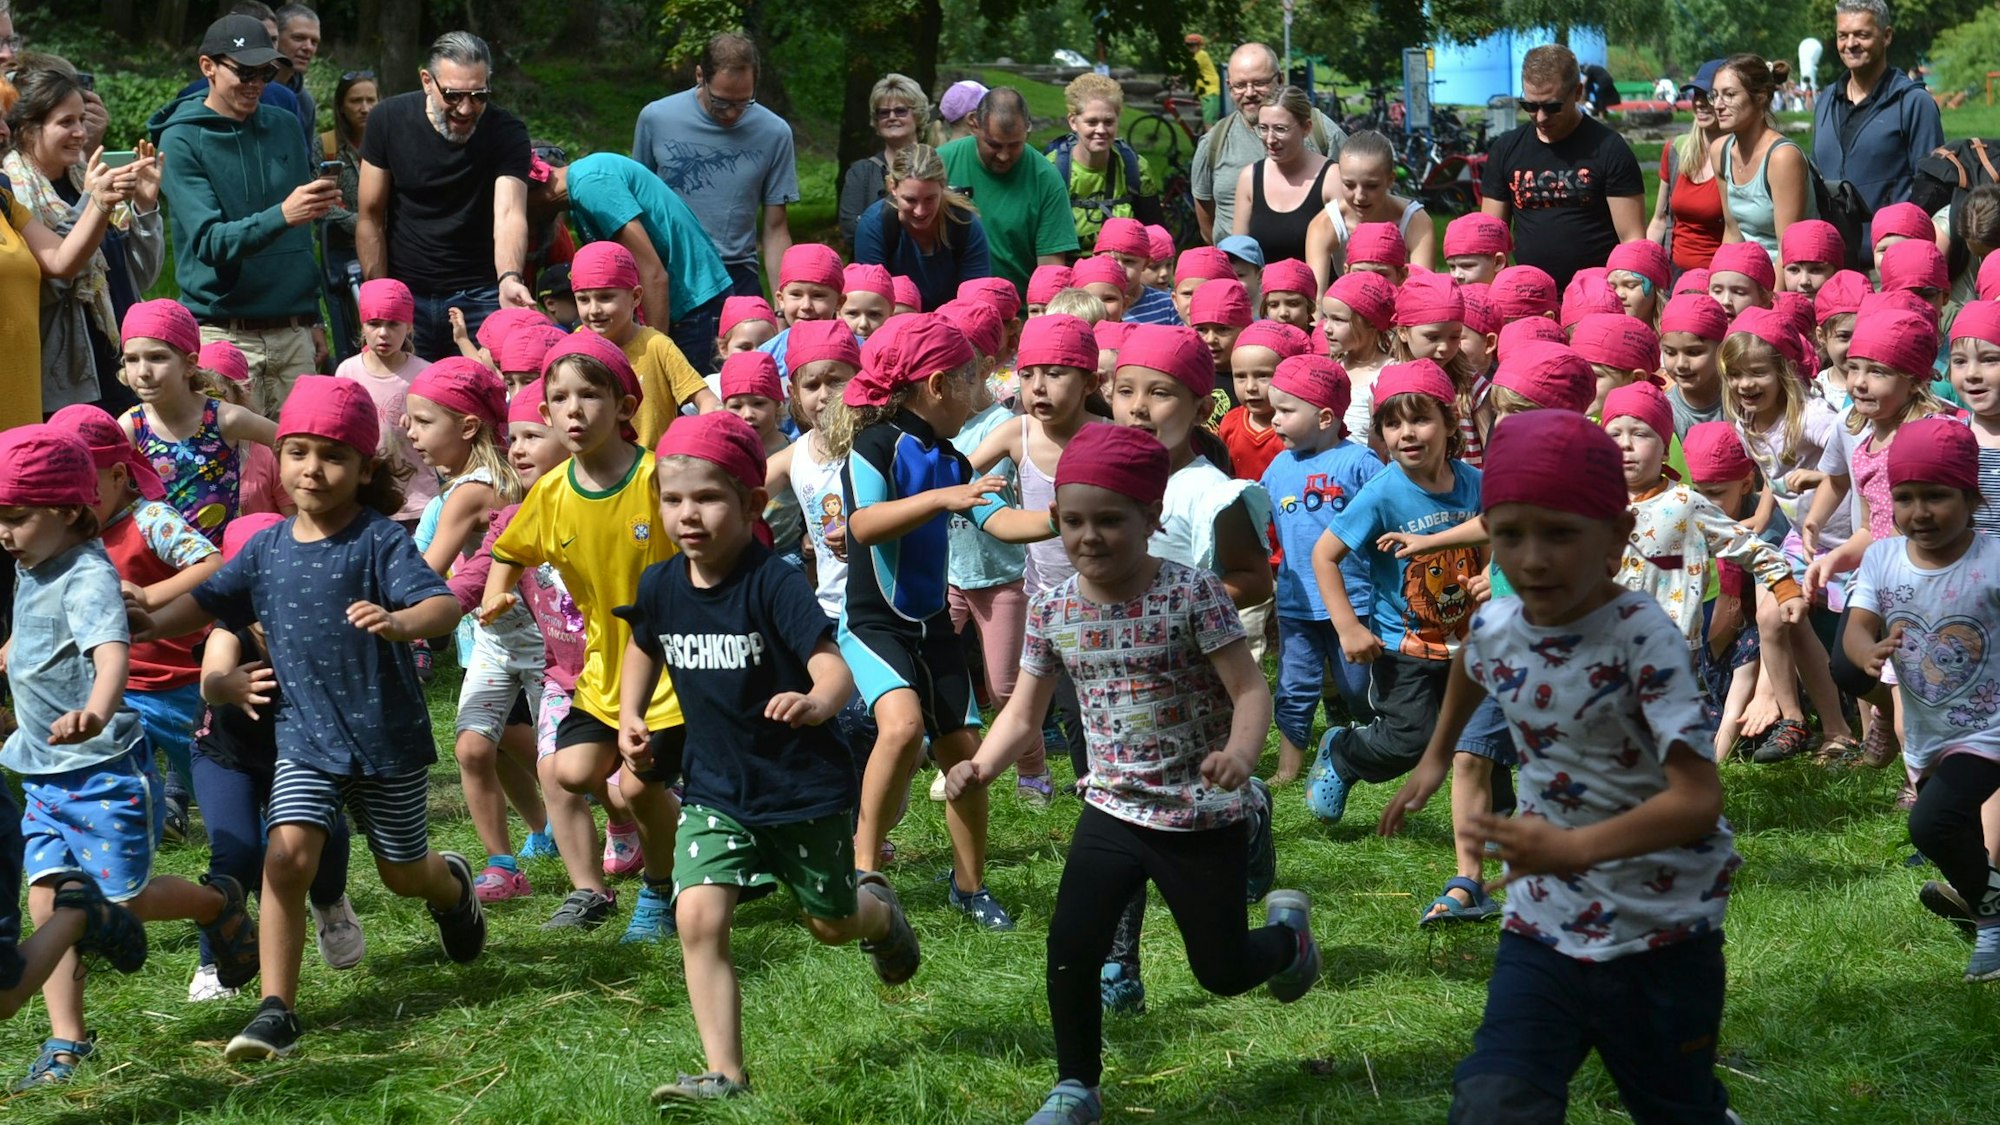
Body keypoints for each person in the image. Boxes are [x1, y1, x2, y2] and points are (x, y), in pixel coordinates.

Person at [946, 422, 1320, 1125]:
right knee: (1070, 946)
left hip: (1198, 812)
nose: (1089, 536)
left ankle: (1287, 938)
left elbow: (1249, 688)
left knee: (1222, 968)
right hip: (1113, 807)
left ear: (1152, 518)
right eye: (1073, 520)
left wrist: (1242, 756)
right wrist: (981, 764)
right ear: (1054, 521)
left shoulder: (1193, 594)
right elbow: (1024, 711)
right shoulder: (1052, 608)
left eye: (1110, 519)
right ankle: (1076, 1087)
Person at [1380, 409, 1740, 1124]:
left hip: (1661, 932)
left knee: (1676, 1108)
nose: (1534, 559)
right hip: (1542, 924)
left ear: (1617, 539)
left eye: (1561, 533)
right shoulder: (1497, 622)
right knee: (1494, 1098)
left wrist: (1572, 847)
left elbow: (1698, 799)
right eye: (1509, 534)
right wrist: (1434, 756)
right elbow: (1473, 664)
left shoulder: (1645, 639)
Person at [142, 377, 487, 1061]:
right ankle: (277, 1009)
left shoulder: (378, 542)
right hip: (304, 738)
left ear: (365, 467)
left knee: (401, 872)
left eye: (332, 455)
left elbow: (444, 606)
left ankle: (450, 886)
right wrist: (143, 619)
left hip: (384, 737)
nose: (311, 468)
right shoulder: (264, 549)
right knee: (286, 856)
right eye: (297, 451)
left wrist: (399, 621)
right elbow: (206, 603)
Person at [619, 412, 921, 1105]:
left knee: (831, 924)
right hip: (716, 789)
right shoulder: (664, 583)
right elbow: (645, 641)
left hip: (800, 789)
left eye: (708, 497)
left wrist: (818, 702)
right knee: (697, 914)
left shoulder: (772, 582)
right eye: (673, 499)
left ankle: (876, 910)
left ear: (753, 504)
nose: (687, 514)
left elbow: (831, 659)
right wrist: (630, 712)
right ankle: (725, 1073)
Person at [821, 313, 1056, 933]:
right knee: (900, 730)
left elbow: (1000, 522)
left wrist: (1064, 520)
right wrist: (939, 499)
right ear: (936, 386)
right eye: (973, 381)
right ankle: (863, 874)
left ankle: (969, 884)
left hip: (933, 631)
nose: (982, 393)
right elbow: (862, 526)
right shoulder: (875, 447)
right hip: (875, 627)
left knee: (965, 757)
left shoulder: (949, 457)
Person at [484, 334, 689, 944]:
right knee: (571, 773)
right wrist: (498, 590)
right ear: (544, 414)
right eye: (560, 399)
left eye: (591, 395)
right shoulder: (550, 493)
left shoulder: (658, 479)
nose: (575, 410)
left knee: (633, 784)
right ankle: (696, 841)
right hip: (601, 671)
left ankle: (658, 891)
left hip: (670, 673)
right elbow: (509, 548)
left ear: (626, 407)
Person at [1850, 417, 2000, 980]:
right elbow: (1857, 626)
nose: (1919, 512)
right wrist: (1867, 652)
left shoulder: (1993, 559)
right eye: (1906, 497)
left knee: (1930, 825)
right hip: (1928, 732)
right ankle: (1991, 914)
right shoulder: (1883, 559)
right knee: (1953, 832)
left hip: (1990, 726)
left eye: (1936, 496)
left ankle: (1992, 923)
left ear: (1971, 494)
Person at [149, 14, 336, 416]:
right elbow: (208, 242)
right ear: (208, 67)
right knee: (231, 471)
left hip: (294, 331)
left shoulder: (285, 124)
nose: (256, 84)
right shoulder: (180, 139)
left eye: (265, 72)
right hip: (225, 335)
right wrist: (282, 214)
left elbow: (300, 242)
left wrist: (312, 316)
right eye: (244, 71)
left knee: (300, 471)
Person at [358, 32, 534, 361]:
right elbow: (370, 215)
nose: (466, 109)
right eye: (453, 95)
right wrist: (379, 294)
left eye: (479, 95)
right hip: (406, 292)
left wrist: (509, 278)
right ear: (427, 80)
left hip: (479, 294)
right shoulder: (388, 120)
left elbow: (509, 213)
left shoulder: (505, 131)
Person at [3, 57, 164, 417]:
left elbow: (138, 278)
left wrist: (146, 207)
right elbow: (54, 283)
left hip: (121, 371)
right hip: (69, 387)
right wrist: (92, 204)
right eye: (65, 122)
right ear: (28, 128)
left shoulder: (83, 178)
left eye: (81, 119)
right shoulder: (14, 189)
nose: (81, 132)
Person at [529, 149, 734, 376]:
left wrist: (653, 359)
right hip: (686, 303)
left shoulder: (591, 184)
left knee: (686, 407)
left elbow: (653, 274)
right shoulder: (581, 195)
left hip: (693, 304)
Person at [632, 34, 798, 298]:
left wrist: (783, 303)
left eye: (744, 101)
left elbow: (776, 228)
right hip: (671, 268)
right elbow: (635, 206)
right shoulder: (656, 118)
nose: (732, 112)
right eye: (722, 101)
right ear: (700, 76)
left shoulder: (774, 132)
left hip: (737, 273)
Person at [1480, 44, 1646, 289]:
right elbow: (1490, 239)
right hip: (1527, 295)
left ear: (1577, 92)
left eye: (1551, 107)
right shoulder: (1506, 150)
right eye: (1530, 106)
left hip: (1596, 295)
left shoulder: (1609, 149)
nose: (1540, 117)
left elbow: (1632, 240)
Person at [1811, 0, 1944, 247]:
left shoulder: (1914, 103)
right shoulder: (1825, 101)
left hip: (1889, 262)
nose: (1850, 44)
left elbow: (1932, 191)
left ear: (1886, 36)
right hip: (1830, 263)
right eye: (1843, 35)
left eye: (1862, 35)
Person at [1190, 42, 1345, 244]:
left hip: (1312, 271)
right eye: (1239, 85)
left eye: (1259, 83)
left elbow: (1359, 205)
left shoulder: (1321, 132)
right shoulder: (1214, 143)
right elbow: (1206, 221)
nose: (1249, 92)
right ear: (1228, 86)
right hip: (1240, 271)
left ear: (1280, 79)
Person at [937, 88, 1078, 297]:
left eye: (1014, 145)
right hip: (948, 309)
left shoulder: (1045, 178)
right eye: (993, 145)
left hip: (1016, 313)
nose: (1004, 156)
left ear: (1027, 130)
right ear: (974, 124)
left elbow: (1050, 272)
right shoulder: (942, 164)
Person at [852, 143, 992, 315]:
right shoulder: (875, 225)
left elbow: (976, 299)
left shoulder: (963, 224)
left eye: (930, 199)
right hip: (894, 322)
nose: (920, 211)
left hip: (954, 324)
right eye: (910, 200)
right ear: (893, 187)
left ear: (942, 186)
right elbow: (872, 300)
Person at [1304, 129, 1436, 292]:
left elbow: (1422, 293)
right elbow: (1315, 300)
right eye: (1349, 185)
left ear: (1390, 180)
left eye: (1371, 186)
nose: (1359, 196)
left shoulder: (1415, 221)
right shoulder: (1326, 224)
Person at [1711, 54, 1814, 259]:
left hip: (1792, 276)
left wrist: (1771, 292)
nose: (1718, 105)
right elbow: (1732, 232)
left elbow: (1789, 249)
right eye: (1714, 95)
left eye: (1729, 95)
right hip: (1748, 277)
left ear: (1761, 97)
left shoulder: (1782, 158)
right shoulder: (1720, 151)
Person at [1047, 74, 1164, 248]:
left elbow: (1156, 238)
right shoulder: (1051, 170)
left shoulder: (1136, 169)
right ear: (1073, 121)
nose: (1101, 130)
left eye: (1108, 122)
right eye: (1092, 122)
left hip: (1124, 269)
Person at [1232, 86, 1334, 268]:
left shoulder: (1332, 178)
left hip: (1318, 293)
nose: (1270, 139)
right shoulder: (1249, 178)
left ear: (1306, 128)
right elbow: (1239, 259)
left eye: (1280, 129)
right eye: (1263, 128)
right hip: (1265, 294)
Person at [320, 69, 377, 366]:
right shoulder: (326, 145)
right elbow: (321, 203)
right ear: (342, 105)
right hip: (339, 251)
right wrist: (362, 224)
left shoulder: (388, 142)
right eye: (356, 100)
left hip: (384, 245)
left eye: (371, 99)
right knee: (346, 328)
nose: (365, 107)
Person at [1648, 60, 1727, 275]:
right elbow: (1659, 219)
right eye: (1696, 95)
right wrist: (1646, 268)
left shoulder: (1739, 158)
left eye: (1709, 96)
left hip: (1721, 279)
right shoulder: (1675, 150)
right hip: (1675, 275)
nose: (1700, 103)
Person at [838, 73, 928, 247]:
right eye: (884, 112)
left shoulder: (939, 164)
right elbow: (851, 231)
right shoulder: (861, 173)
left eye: (901, 110)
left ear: (917, 115)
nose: (892, 117)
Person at [273, 4, 318, 137]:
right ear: (275, 38)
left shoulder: (305, 102)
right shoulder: (250, 89)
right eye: (298, 38)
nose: (308, 47)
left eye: (314, 42)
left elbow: (305, 157)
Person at [1186, 34, 1221, 124]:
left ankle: (1211, 138)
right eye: (1188, 45)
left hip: (1209, 92)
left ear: (1199, 46)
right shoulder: (1196, 55)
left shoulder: (1201, 55)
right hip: (1206, 92)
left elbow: (1190, 70)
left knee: (1208, 122)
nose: (1190, 47)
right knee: (1211, 121)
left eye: (1192, 45)